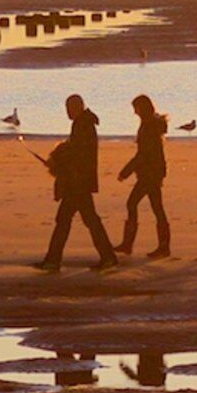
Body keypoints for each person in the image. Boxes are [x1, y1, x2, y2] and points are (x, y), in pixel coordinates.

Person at [33, 94, 117, 273]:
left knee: (73, 220)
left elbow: (78, 154)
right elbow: (74, 149)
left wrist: (56, 161)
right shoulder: (82, 123)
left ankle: (54, 261)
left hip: (78, 181)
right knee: (77, 220)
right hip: (78, 180)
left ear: (78, 107)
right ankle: (55, 259)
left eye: (69, 108)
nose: (67, 112)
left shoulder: (83, 125)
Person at [116, 94, 173, 257]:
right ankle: (162, 246)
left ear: (142, 108)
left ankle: (130, 244)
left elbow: (143, 154)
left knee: (134, 203)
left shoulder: (149, 126)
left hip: (150, 173)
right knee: (156, 207)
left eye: (136, 108)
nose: (134, 112)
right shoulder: (151, 124)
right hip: (154, 171)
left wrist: (126, 171)